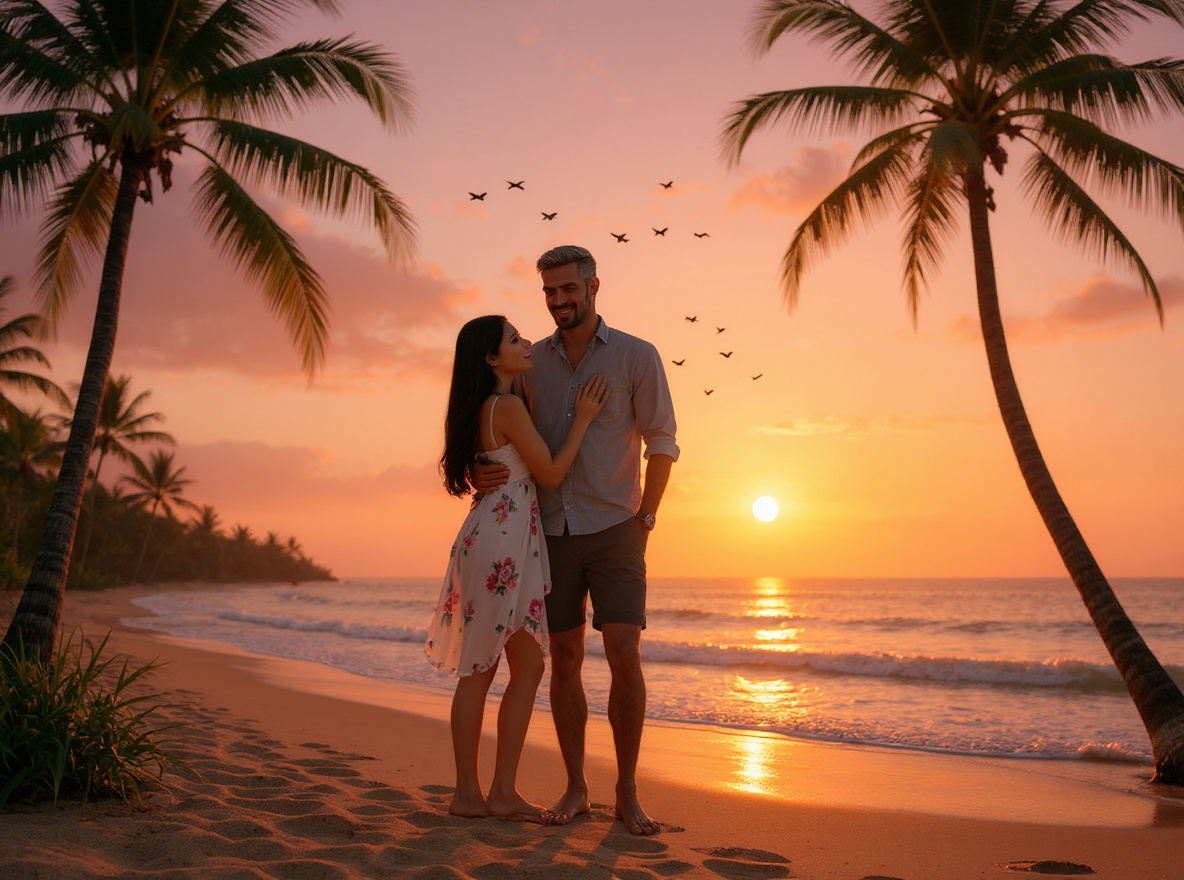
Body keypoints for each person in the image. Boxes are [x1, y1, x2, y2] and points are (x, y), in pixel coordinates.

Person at [474, 245, 679, 835]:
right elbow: (494, 424)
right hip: (549, 531)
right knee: (563, 659)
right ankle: (576, 787)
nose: (559, 300)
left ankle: (627, 790)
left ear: (593, 287)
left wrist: (646, 518)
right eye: (550, 291)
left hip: (617, 529)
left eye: (568, 288)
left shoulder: (637, 356)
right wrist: (476, 468)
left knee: (625, 654)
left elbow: (662, 442)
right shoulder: (531, 361)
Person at [426, 314, 608, 821]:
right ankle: (486, 793)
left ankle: (480, 793)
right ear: (491, 358)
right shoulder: (504, 405)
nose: (526, 342)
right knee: (501, 669)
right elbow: (549, 473)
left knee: (497, 668)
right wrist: (583, 419)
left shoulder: (493, 404)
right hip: (502, 545)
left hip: (495, 537)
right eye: (513, 339)